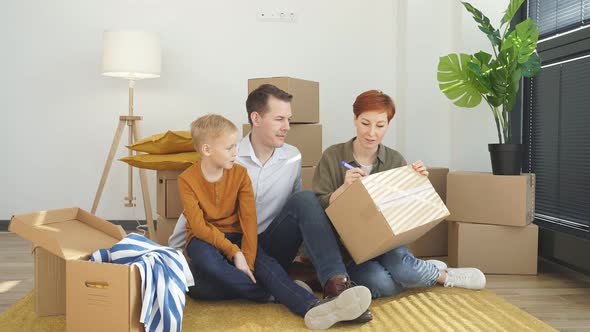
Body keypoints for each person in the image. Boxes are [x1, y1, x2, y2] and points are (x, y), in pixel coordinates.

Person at [169, 84, 375, 323]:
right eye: (279, 119)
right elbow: (194, 217)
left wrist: (304, 252)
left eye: (288, 119)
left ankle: (337, 288)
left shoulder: (293, 156)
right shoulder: (224, 156)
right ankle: (280, 289)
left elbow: (297, 212)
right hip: (220, 245)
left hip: (264, 245)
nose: (286, 127)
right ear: (256, 118)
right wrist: (175, 251)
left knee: (305, 199)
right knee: (195, 284)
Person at [312, 90, 487, 299]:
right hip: (349, 250)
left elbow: (404, 212)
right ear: (355, 119)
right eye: (365, 123)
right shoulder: (333, 156)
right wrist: (343, 189)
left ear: (388, 124)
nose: (371, 133)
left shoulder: (394, 159)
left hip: (387, 244)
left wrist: (417, 181)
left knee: (402, 270)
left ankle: (443, 276)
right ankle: (419, 270)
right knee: (381, 285)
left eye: (380, 125)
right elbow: (316, 209)